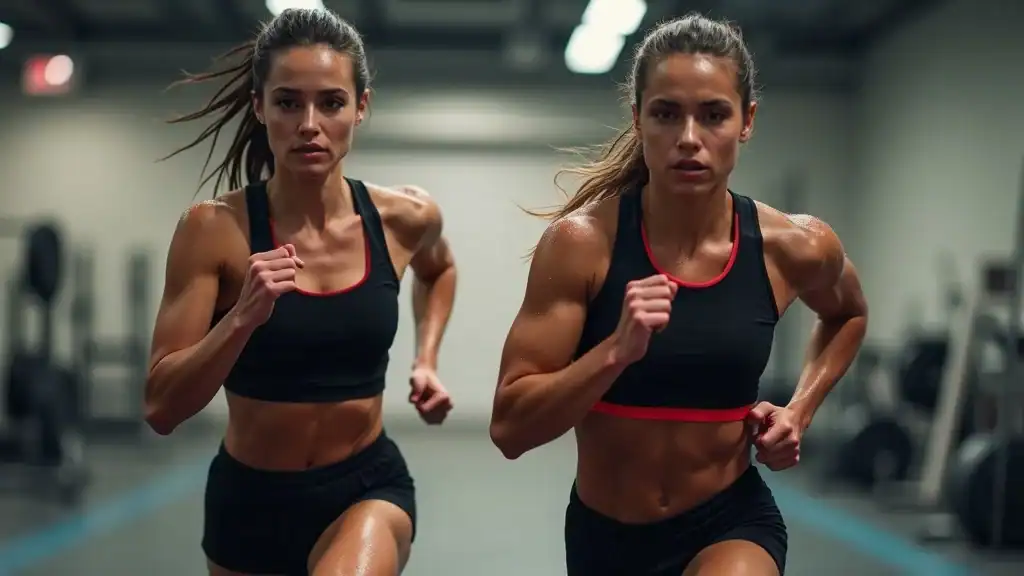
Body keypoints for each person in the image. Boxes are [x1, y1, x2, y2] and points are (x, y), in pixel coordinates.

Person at [490, 13, 868, 576]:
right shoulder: (582, 245)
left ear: (747, 121)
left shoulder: (794, 246)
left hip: (730, 523)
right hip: (605, 539)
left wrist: (800, 410)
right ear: (639, 119)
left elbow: (848, 314)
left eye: (714, 114)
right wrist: (613, 351)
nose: (689, 139)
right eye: (667, 114)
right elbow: (510, 428)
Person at [144, 8, 458, 576]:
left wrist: (427, 360)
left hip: (365, 488)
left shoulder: (405, 218)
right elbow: (161, 407)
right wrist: (240, 318)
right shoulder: (213, 231)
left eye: (331, 103)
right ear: (260, 105)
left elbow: (439, 270)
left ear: (361, 106)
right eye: (288, 102)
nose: (309, 124)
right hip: (250, 501)